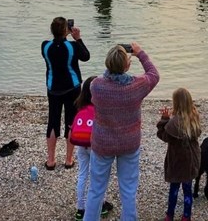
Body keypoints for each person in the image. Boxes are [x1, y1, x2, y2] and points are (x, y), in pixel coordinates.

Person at [83, 43, 160, 221]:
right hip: (129, 143)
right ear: (127, 66)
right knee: (128, 189)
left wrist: (118, 63)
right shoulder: (136, 86)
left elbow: (103, 82)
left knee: (96, 189)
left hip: (103, 144)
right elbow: (154, 74)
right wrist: (140, 53)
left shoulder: (96, 86)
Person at [42, 17, 90, 170]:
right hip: (72, 87)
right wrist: (78, 38)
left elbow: (57, 48)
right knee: (71, 121)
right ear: (66, 31)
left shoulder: (45, 46)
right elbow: (86, 56)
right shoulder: (73, 46)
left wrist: (65, 37)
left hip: (53, 88)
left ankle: (51, 160)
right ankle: (68, 160)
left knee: (53, 121)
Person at [70, 77, 114, 220]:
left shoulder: (80, 106)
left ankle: (80, 209)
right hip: (95, 145)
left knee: (83, 175)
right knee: (99, 176)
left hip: (81, 144)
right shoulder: (101, 109)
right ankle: (100, 205)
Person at [157, 88, 201, 221]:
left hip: (176, 161)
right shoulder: (194, 119)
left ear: (175, 104)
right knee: (188, 190)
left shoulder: (173, 123)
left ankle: (170, 214)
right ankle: (186, 216)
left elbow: (163, 136)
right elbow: (197, 133)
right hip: (190, 160)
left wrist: (164, 120)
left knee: (174, 188)